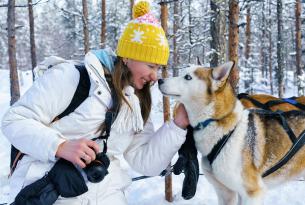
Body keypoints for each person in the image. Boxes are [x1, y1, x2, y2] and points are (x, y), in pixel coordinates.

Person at [1, 1, 189, 204]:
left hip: (107, 193)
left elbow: (145, 161)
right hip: (50, 192)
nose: (155, 76)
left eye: (159, 68)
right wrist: (60, 145)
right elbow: (14, 120)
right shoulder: (73, 78)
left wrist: (177, 126)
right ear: (128, 57)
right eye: (151, 65)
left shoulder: (136, 101)